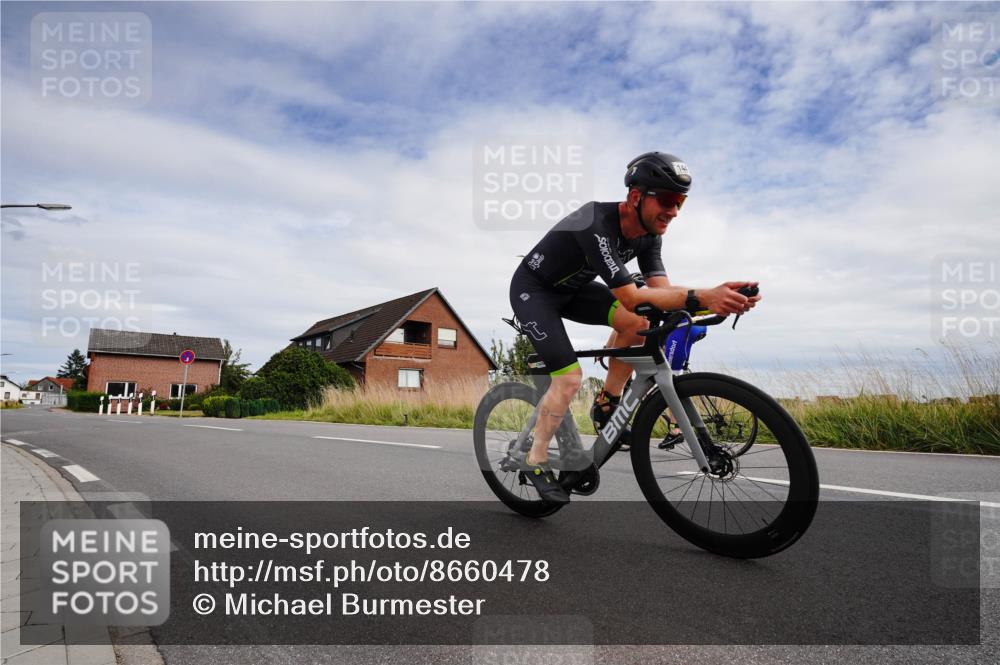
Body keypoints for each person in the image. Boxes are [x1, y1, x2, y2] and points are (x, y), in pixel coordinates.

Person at [508, 152, 761, 502]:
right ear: (636, 196)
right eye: (668, 200)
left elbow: (660, 293)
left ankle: (607, 403)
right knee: (568, 378)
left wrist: (718, 297)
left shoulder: (649, 236)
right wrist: (705, 297)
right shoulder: (593, 220)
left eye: (680, 203)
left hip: (575, 291)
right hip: (533, 291)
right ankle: (533, 458)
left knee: (639, 322)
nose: (674, 211)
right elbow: (630, 295)